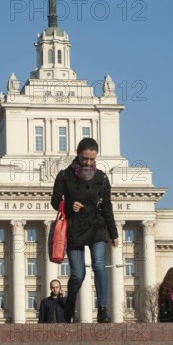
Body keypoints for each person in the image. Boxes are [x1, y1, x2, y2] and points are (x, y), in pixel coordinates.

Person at [51, 138, 119, 323]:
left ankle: (103, 309)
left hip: (96, 226)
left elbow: (107, 206)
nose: (88, 163)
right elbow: (55, 200)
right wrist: (69, 205)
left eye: (92, 159)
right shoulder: (64, 175)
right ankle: (70, 303)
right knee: (78, 274)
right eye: (85, 159)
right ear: (78, 154)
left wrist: (113, 233)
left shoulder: (102, 178)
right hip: (74, 227)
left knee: (98, 265)